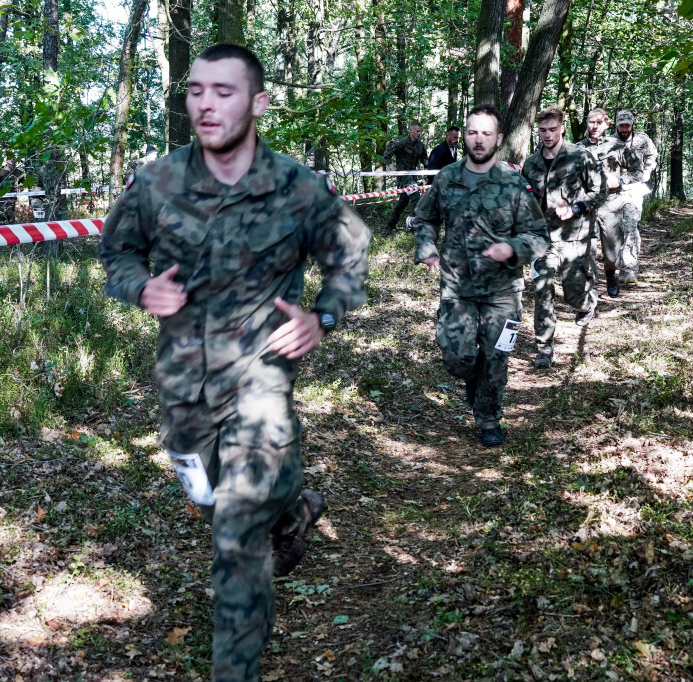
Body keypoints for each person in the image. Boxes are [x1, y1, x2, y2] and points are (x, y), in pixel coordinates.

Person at [98, 44, 371, 681]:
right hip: (184, 389)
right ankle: (294, 507)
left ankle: (235, 668)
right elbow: (116, 252)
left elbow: (349, 256)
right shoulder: (156, 182)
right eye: (196, 91)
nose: (206, 104)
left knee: (236, 537)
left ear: (257, 103)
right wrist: (139, 287)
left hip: (261, 380)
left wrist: (321, 316)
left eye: (223, 92)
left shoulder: (297, 187)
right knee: (207, 499)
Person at [413, 105, 549, 446]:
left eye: (486, 133)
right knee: (459, 358)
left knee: (497, 355)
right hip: (457, 286)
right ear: (464, 133)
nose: (478, 139)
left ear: (498, 139)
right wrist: (427, 247)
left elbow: (539, 236)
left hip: (503, 290)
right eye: (473, 132)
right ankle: (472, 378)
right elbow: (425, 218)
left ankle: (488, 418)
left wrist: (512, 248)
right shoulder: (446, 178)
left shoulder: (514, 183)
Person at [522, 107, 608, 367]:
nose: (547, 135)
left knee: (574, 296)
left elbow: (600, 190)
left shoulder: (580, 156)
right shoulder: (531, 163)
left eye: (552, 129)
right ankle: (544, 349)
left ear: (562, 128)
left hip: (575, 238)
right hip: (543, 240)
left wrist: (576, 207)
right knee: (542, 287)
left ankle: (588, 303)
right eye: (542, 130)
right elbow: (525, 199)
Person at [579, 108, 642, 298]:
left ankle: (610, 274)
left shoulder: (616, 146)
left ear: (607, 123)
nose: (595, 126)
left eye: (599, 122)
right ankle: (590, 291)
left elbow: (637, 169)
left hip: (611, 206)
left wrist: (622, 181)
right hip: (587, 206)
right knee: (587, 250)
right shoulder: (577, 148)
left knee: (612, 252)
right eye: (591, 122)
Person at [613, 109, 658, 284]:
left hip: (634, 189)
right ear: (616, 125)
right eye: (621, 126)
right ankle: (616, 265)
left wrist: (647, 170)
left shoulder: (642, 139)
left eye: (627, 125)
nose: (624, 129)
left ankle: (630, 269)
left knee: (630, 227)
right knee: (614, 230)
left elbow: (652, 155)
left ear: (632, 125)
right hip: (614, 191)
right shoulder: (609, 141)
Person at [383, 121, 427, 230]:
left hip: (413, 177)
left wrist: (429, 168)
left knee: (403, 201)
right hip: (403, 178)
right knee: (416, 196)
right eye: (417, 131)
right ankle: (414, 226)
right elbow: (387, 154)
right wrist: (392, 168)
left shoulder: (420, 146)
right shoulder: (401, 143)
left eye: (420, 131)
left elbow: (425, 159)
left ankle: (390, 225)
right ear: (411, 130)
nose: (419, 133)